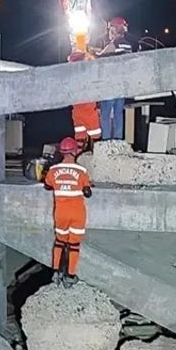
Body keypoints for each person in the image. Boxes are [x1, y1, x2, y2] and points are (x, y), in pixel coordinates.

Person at [43, 137, 92, 286]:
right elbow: (88, 192)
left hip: (61, 213)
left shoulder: (53, 170)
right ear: (75, 152)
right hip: (77, 213)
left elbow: (47, 186)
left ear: (61, 152)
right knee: (74, 245)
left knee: (59, 241)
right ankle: (70, 276)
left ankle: (56, 272)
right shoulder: (81, 171)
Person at [94, 17, 133, 141]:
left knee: (105, 114)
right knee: (118, 114)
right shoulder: (128, 45)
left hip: (110, 85)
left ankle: (105, 141)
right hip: (121, 85)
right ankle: (118, 141)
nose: (109, 33)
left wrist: (89, 53)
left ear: (115, 30)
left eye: (111, 30)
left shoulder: (114, 44)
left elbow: (99, 59)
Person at [66, 51, 102, 146]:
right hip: (89, 111)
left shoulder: (71, 76)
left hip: (77, 112)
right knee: (96, 138)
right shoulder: (88, 73)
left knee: (79, 139)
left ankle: (78, 157)